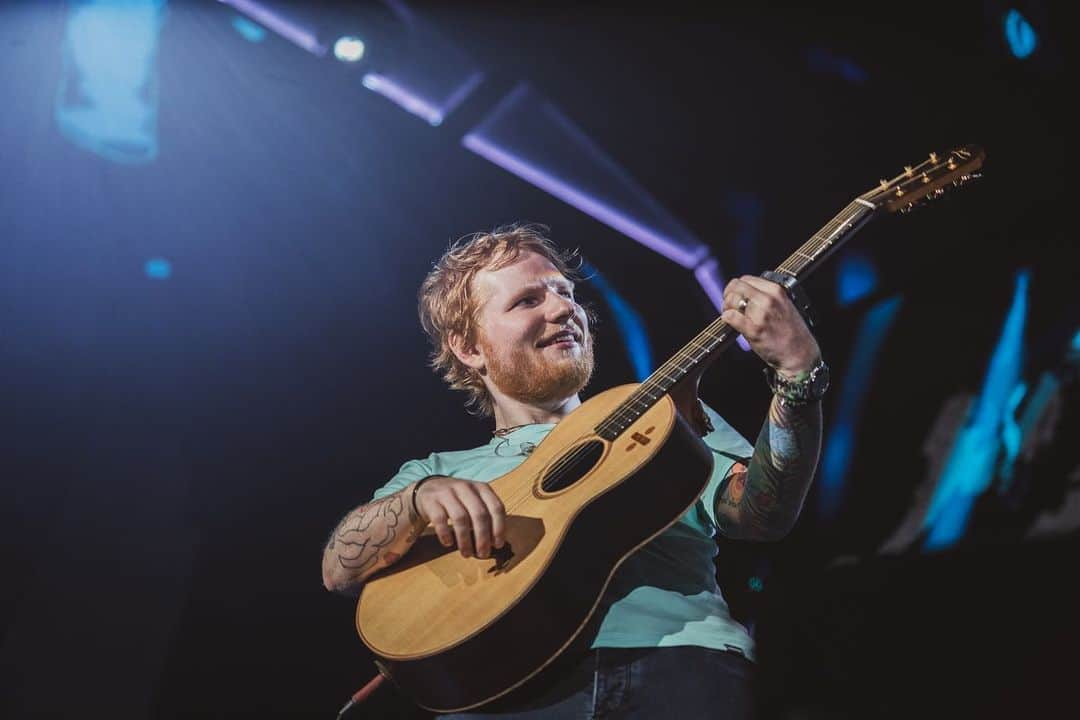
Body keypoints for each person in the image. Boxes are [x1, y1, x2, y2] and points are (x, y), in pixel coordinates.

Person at [322, 223, 826, 719]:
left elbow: (763, 514)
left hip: (686, 665)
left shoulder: (664, 420)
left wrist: (797, 376)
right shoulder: (436, 471)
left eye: (564, 294)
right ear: (469, 347)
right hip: (505, 689)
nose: (565, 309)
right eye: (527, 301)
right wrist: (416, 500)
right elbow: (339, 568)